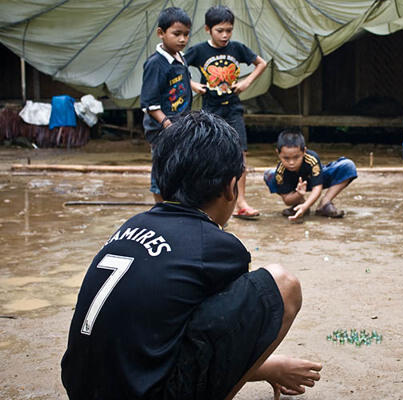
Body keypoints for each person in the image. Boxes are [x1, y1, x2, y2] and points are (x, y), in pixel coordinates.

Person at [61, 111, 322, 400]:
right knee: (282, 284)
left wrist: (266, 369)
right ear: (230, 187)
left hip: (81, 389)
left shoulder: (131, 224)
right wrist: (262, 364)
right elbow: (220, 342)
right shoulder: (218, 246)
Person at [185, 5, 267, 220]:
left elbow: (261, 63)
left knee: (240, 154)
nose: (224, 35)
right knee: (208, 153)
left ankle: (241, 202)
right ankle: (206, 198)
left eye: (228, 30)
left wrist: (246, 82)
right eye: (219, 30)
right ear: (208, 29)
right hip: (210, 109)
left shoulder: (238, 48)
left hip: (233, 109)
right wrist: (192, 84)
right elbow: (177, 65)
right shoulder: (200, 50)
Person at [140, 7, 194, 203]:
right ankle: (160, 207)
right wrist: (167, 124)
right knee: (161, 170)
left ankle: (176, 206)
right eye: (177, 34)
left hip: (180, 126)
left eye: (186, 34)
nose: (182, 39)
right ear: (161, 33)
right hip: (162, 131)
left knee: (179, 167)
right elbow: (149, 104)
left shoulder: (181, 58)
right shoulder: (155, 64)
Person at [264, 130, 357, 221]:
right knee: (269, 175)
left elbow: (317, 188)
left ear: (304, 151)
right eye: (286, 158)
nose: (291, 163)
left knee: (348, 165)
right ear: (278, 153)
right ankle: (299, 204)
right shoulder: (280, 172)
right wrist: (298, 195)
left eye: (296, 157)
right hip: (296, 187)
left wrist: (306, 205)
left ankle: (324, 204)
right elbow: (287, 200)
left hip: (316, 179)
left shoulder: (312, 159)